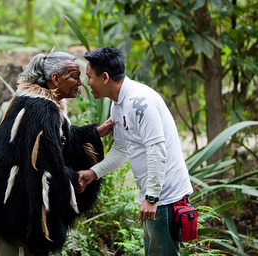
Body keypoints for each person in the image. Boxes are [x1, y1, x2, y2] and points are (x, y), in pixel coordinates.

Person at [0, 51, 114, 256]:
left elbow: (56, 139)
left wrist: (94, 132)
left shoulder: (30, 101)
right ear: (55, 79)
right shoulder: (42, 110)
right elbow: (44, 166)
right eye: (74, 76)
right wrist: (75, 178)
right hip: (11, 216)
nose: (81, 82)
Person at [78, 46, 194, 255]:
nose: (87, 83)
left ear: (105, 77)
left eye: (89, 77)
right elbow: (121, 150)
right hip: (154, 198)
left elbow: (157, 150)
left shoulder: (141, 103)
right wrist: (93, 173)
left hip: (164, 198)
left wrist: (151, 198)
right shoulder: (118, 104)